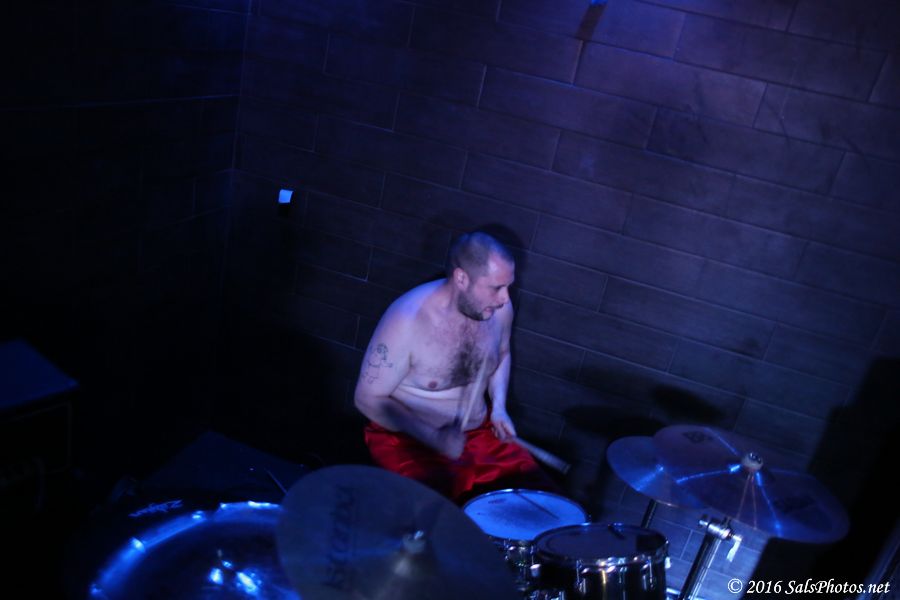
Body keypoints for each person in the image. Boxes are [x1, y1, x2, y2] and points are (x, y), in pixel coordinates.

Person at [354, 232, 559, 503]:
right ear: (462, 278)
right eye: (496, 287)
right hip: (408, 440)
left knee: (541, 505)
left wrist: (499, 407)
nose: (504, 298)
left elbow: (502, 353)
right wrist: (434, 438)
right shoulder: (409, 319)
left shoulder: (499, 309)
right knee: (438, 517)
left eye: (508, 286)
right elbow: (367, 399)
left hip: (479, 435)